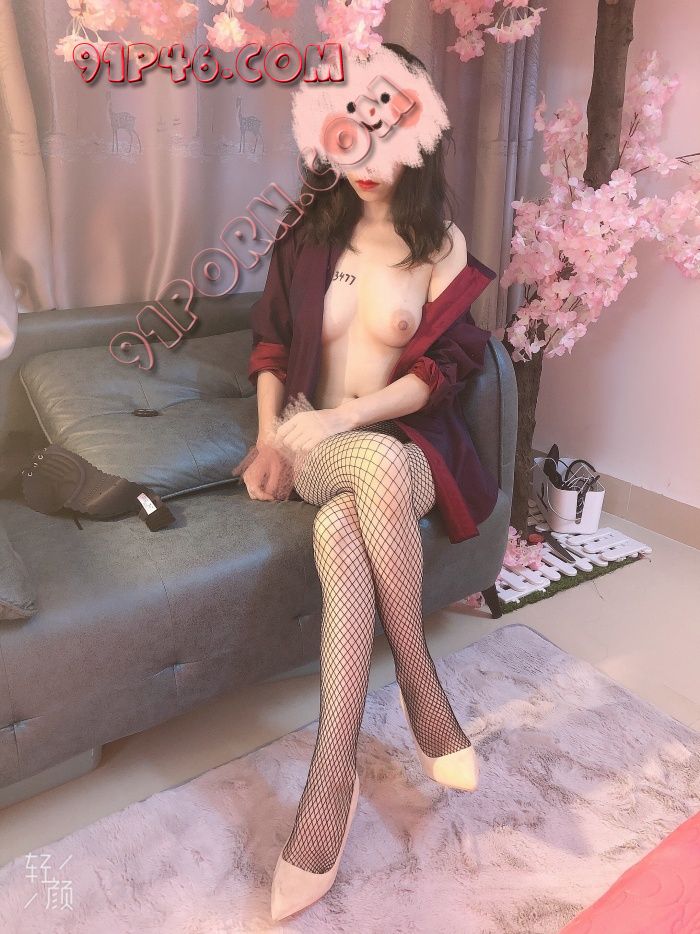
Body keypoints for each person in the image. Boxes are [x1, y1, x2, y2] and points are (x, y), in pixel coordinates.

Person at [239, 42, 499, 922]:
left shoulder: (441, 246)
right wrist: (273, 436)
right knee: (339, 511)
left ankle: (334, 778)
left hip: (405, 447)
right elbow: (271, 344)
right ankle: (419, 697)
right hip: (312, 446)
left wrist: (344, 417)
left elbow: (443, 372)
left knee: (360, 497)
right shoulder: (308, 231)